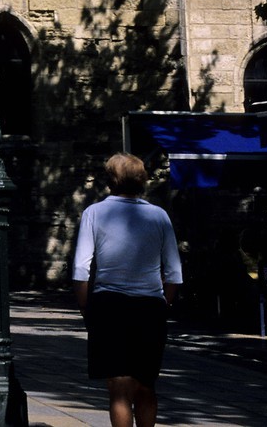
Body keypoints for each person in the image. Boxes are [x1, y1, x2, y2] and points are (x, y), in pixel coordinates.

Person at [72, 152, 183, 427]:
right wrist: (163, 305)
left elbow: (80, 269)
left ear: (111, 181)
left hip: (109, 304)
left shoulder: (94, 213)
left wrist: (87, 308)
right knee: (146, 384)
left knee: (119, 388)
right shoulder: (159, 215)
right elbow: (174, 271)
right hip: (149, 306)